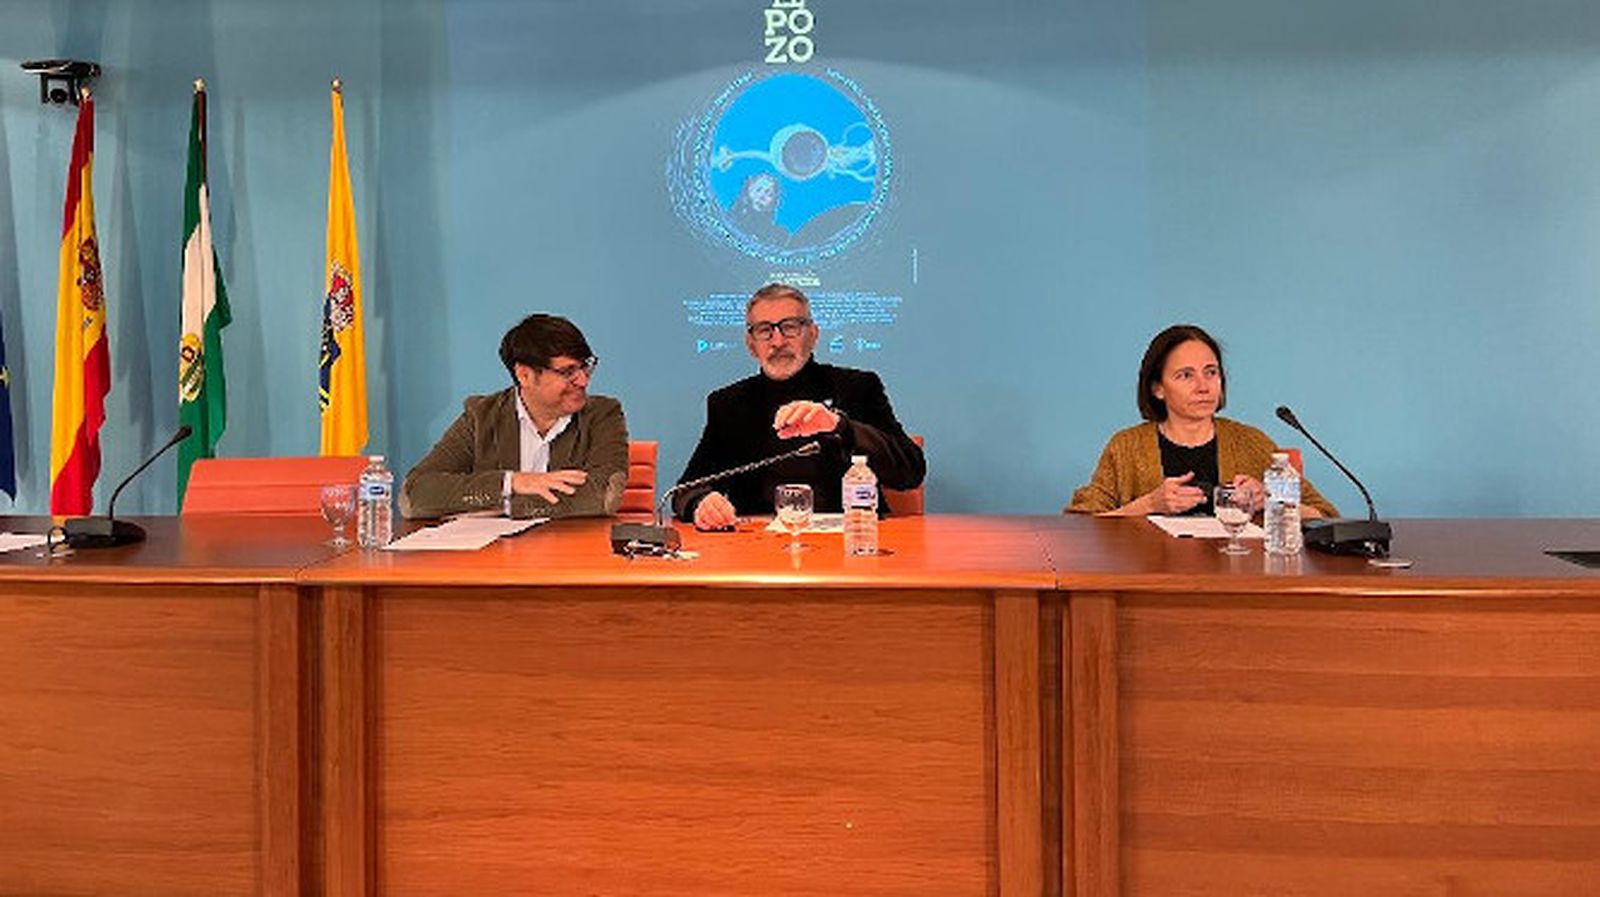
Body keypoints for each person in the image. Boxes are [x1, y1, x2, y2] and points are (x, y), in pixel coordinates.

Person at [675, 283, 925, 529]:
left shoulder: (857, 387)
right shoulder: (728, 404)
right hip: (759, 548)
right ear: (751, 344)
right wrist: (701, 503)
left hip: (852, 542)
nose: (778, 340)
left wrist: (839, 426)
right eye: (764, 330)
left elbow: (911, 471)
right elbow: (685, 490)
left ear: (813, 335)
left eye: (790, 327)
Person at [1066, 324, 1338, 518]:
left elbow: (1324, 514)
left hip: (1236, 587)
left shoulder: (1251, 442)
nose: (1203, 386)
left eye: (1211, 373)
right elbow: (1081, 524)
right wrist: (1149, 504)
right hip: (1152, 587)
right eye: (1186, 375)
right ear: (1157, 388)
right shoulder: (1126, 447)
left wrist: (1268, 502)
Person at [401, 314, 629, 519]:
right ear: (525, 375)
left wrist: (505, 505)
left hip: (570, 554)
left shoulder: (602, 415)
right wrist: (513, 482)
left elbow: (604, 494)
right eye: (568, 372)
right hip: (497, 560)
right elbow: (415, 496)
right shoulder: (480, 417)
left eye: (585, 366)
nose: (583, 380)